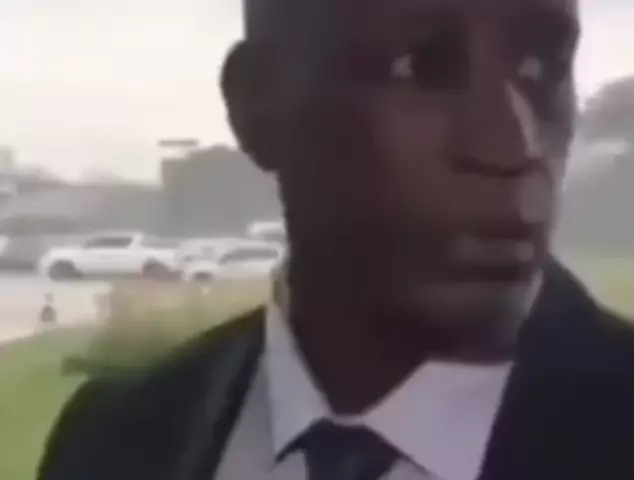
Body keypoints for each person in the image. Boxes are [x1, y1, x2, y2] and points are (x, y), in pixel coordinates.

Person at [37, 0, 634, 479]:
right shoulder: (109, 442)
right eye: (422, 67)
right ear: (259, 104)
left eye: (540, 69)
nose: (512, 145)